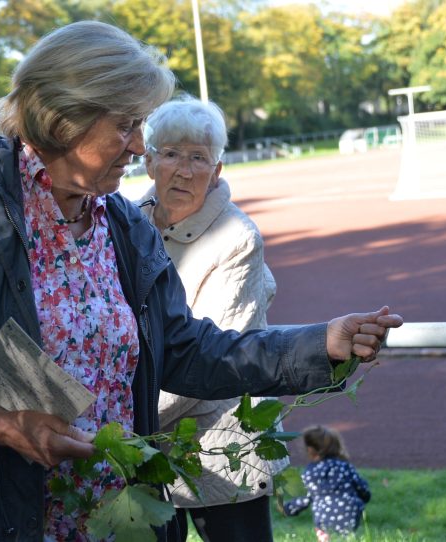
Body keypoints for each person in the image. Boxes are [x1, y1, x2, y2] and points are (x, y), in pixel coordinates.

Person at [0, 20, 402, 542]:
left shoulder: (121, 220)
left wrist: (318, 343)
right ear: (65, 115)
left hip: (110, 522)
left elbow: (185, 350)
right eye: (126, 124)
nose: (140, 146)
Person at [139, 97, 286, 542]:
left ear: (217, 170)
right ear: (148, 163)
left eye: (198, 158)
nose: (183, 170)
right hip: (144, 437)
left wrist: (121, 420)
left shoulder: (237, 237)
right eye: (170, 154)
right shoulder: (125, 219)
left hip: (221, 441)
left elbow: (210, 357)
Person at [283, 425, 371, 541]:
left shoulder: (311, 471)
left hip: (324, 517)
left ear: (310, 449)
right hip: (350, 512)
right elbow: (362, 487)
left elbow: (307, 497)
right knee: (346, 538)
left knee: (326, 538)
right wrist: (364, 497)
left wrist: (288, 508)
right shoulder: (345, 466)